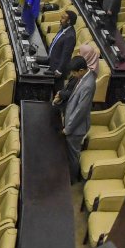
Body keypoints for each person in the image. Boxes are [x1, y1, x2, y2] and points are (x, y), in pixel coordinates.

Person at [60, 53, 96, 182]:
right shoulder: (84, 77)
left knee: (72, 156)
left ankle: (72, 180)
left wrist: (68, 128)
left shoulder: (88, 85)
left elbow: (81, 111)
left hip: (76, 129)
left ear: (81, 70)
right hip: (72, 123)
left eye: (74, 73)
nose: (73, 76)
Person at [46, 10, 77, 80]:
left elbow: (66, 55)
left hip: (58, 69)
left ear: (69, 21)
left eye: (63, 18)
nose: (60, 20)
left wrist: (59, 70)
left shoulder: (70, 36)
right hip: (52, 62)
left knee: (56, 88)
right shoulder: (64, 28)